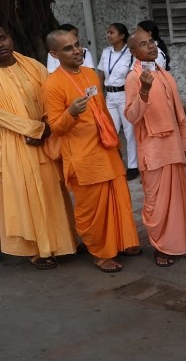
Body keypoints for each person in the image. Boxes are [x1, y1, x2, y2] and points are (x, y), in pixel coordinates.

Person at [43, 29, 140, 272]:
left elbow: (104, 112)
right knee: (92, 210)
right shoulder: (52, 85)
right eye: (67, 48)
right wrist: (72, 113)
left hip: (105, 148)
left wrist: (115, 144)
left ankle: (122, 241)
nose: (76, 50)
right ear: (54, 54)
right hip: (83, 157)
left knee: (119, 199)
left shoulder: (90, 75)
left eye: (76, 45)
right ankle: (100, 252)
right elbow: (56, 127)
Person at [0, 25, 77, 269]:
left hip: (44, 140)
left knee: (52, 192)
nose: (0, 44)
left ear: (10, 37)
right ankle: (40, 250)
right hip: (14, 142)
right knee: (26, 196)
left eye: (2, 37)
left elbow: (51, 98)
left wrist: (47, 125)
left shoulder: (33, 66)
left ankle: (65, 243)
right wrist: (35, 129)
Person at [124, 29, 186, 266]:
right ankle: (162, 247)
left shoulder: (166, 75)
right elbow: (131, 116)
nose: (150, 47)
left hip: (174, 146)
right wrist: (144, 91)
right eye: (144, 44)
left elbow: (180, 115)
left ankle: (180, 240)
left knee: (178, 198)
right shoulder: (133, 78)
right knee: (157, 202)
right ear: (134, 51)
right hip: (154, 149)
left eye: (152, 42)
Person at [97, 23, 138, 181]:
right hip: (110, 96)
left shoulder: (130, 53)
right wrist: (100, 95)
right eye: (107, 32)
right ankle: (115, 163)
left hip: (124, 95)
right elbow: (100, 73)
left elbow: (131, 75)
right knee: (110, 130)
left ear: (121, 36)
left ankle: (133, 166)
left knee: (129, 132)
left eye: (111, 32)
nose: (108, 35)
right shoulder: (106, 52)